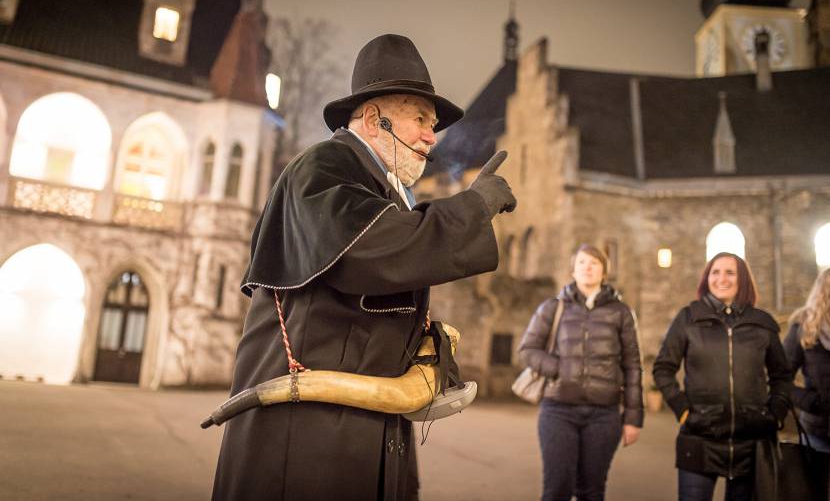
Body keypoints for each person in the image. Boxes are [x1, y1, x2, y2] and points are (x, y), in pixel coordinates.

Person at [209, 34, 516, 501]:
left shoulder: (383, 190)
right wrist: (473, 208)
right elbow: (373, 251)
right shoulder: (323, 166)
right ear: (375, 120)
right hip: (306, 438)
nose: (432, 137)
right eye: (421, 120)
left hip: (360, 432)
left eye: (433, 125)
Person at [653, 252, 792, 501]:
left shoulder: (762, 323)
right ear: (707, 278)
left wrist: (775, 414)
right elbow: (663, 368)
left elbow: (782, 375)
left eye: (730, 272)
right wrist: (683, 410)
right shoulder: (688, 318)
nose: (721, 278)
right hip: (700, 436)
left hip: (751, 440)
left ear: (743, 279)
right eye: (715, 272)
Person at [518, 244, 644, 501]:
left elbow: (633, 365)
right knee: (557, 490)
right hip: (558, 411)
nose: (588, 267)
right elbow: (527, 351)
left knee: (592, 491)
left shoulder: (621, 313)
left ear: (604, 272)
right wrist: (559, 369)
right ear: (573, 270)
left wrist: (633, 418)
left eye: (595, 263)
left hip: (604, 414)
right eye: (582, 262)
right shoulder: (553, 308)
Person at [783, 268, 830, 454]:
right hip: (817, 433)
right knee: (816, 484)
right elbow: (780, 379)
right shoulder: (803, 327)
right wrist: (811, 402)